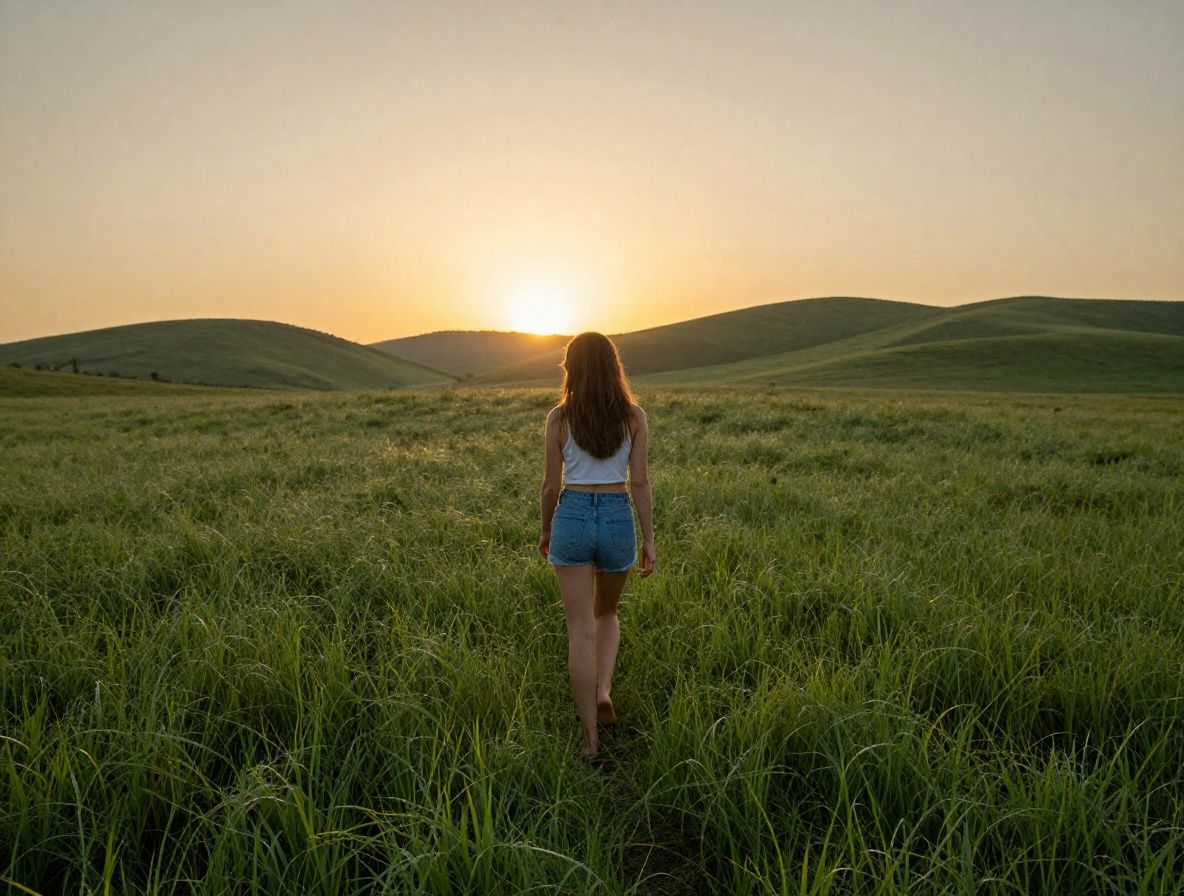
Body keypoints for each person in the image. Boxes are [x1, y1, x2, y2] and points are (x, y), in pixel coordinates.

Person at [538, 332, 656, 758]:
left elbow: (551, 486)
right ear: (613, 367)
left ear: (572, 369)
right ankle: (604, 689)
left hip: (571, 515)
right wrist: (650, 539)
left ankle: (589, 739)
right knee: (606, 613)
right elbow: (639, 482)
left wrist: (547, 529)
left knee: (579, 631)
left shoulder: (559, 418)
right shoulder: (634, 416)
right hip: (616, 515)